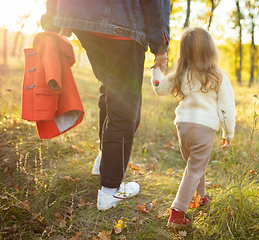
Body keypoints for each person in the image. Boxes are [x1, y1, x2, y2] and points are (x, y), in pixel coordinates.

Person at [41, 0, 170, 211]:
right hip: (122, 25)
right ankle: (110, 191)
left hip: (82, 18)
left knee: (110, 88)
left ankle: (104, 161)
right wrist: (160, 45)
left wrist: (54, 16)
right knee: (125, 107)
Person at [151, 27, 235, 228]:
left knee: (196, 165)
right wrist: (228, 132)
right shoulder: (218, 76)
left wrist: (156, 69)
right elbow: (226, 108)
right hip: (204, 128)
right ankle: (177, 213)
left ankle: (201, 197)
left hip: (183, 127)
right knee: (195, 168)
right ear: (210, 50)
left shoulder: (180, 74)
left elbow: (159, 88)